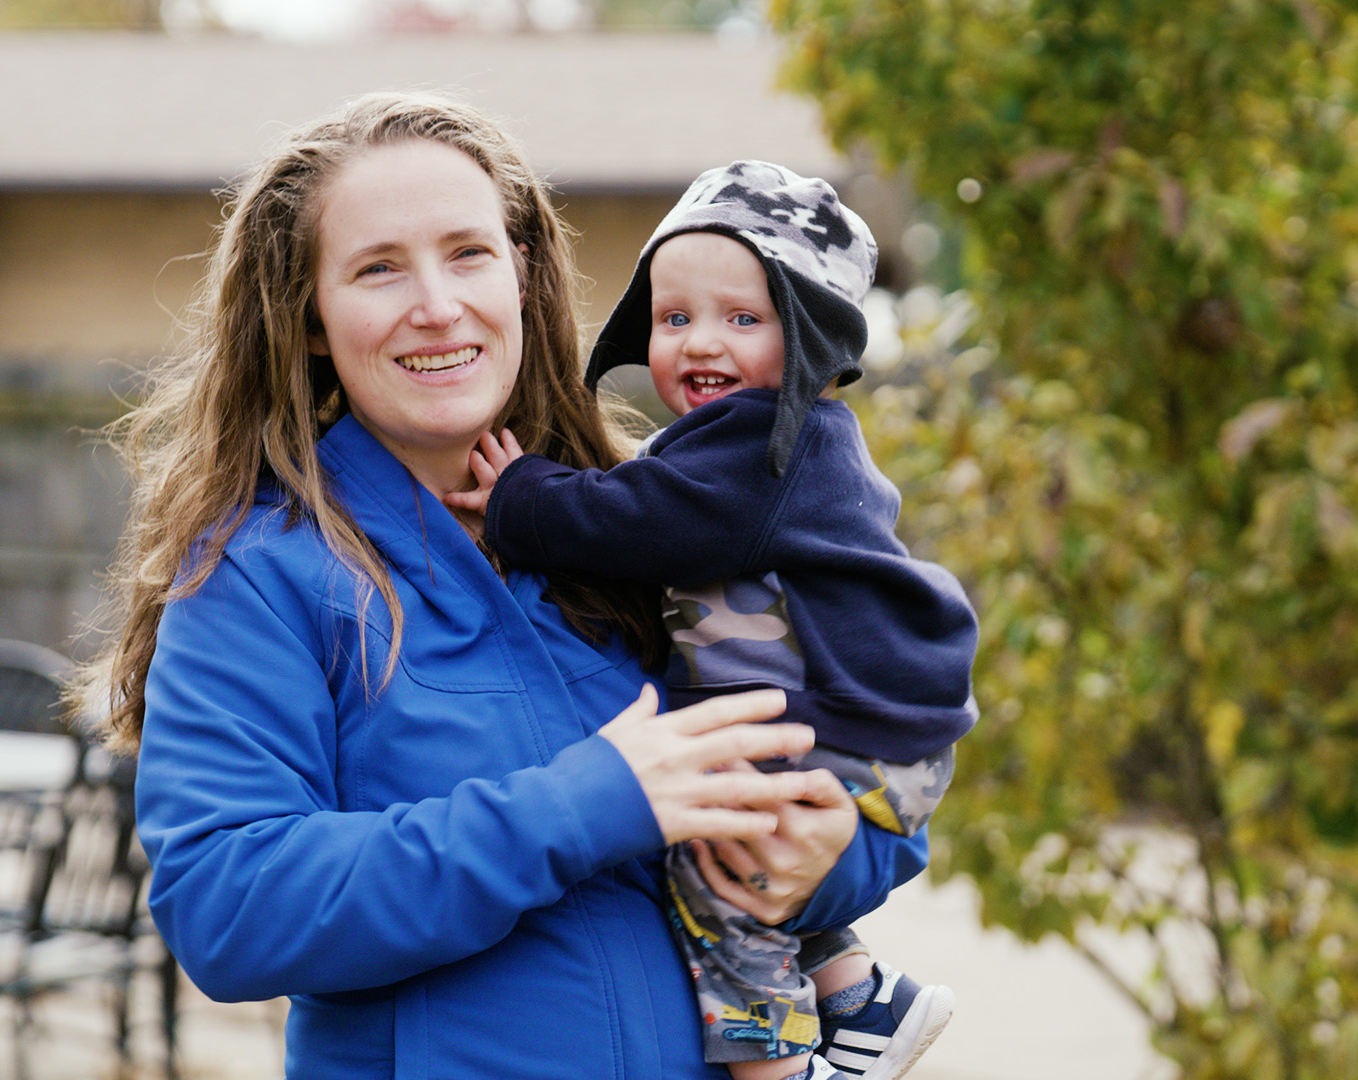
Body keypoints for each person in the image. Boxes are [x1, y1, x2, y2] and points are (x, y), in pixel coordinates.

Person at [72, 94, 927, 1080]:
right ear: (309, 318)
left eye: (468, 253)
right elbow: (229, 909)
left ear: (522, 274)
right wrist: (585, 803)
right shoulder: (261, 574)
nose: (436, 303)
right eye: (378, 267)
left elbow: (853, 771)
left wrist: (830, 861)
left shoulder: (648, 523)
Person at [444, 161, 977, 1080]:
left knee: (712, 854)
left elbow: (635, 518)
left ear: (808, 339)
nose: (701, 343)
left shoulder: (770, 444)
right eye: (674, 317)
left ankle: (776, 1064)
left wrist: (521, 498)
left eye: (744, 318)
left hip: (850, 727)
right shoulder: (761, 446)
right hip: (870, 727)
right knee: (738, 821)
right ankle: (859, 995)